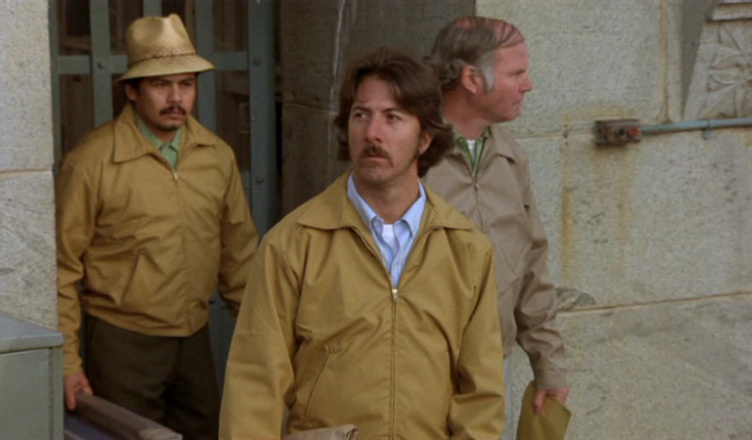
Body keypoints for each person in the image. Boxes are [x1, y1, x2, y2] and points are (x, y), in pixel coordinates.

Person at [219, 47, 506, 439]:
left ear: (424, 138)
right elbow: (254, 385)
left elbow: (482, 395)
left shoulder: (467, 249)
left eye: (392, 117)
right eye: (361, 115)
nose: (372, 133)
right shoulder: (292, 244)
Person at [56, 14, 259, 439]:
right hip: (122, 344)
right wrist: (68, 364)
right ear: (132, 90)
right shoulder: (92, 162)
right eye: (161, 85)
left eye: (186, 84)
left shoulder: (216, 156)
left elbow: (239, 256)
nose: (176, 98)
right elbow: (62, 268)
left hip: (195, 339)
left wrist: (263, 338)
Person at [423, 15, 570, 427]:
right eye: (517, 74)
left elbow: (531, 260)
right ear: (472, 79)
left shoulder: (509, 154)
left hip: (492, 364)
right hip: (417, 365)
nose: (529, 85)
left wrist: (549, 365)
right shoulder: (411, 154)